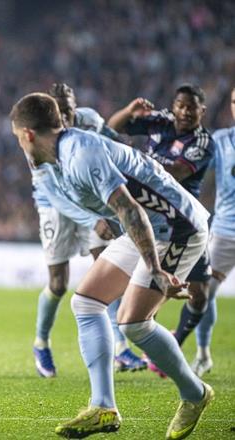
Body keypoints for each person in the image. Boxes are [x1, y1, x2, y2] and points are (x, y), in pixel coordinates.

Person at [10, 93, 214, 439]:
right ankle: (103, 407)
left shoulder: (81, 154)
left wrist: (156, 270)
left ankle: (195, 394)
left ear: (28, 134)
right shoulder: (54, 158)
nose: (19, 144)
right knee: (86, 302)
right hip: (147, 227)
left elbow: (129, 209)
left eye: (18, 137)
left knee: (133, 323)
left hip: (177, 227)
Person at [31, 83, 146, 379]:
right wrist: (92, 221)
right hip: (55, 205)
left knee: (107, 269)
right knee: (58, 283)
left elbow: (111, 138)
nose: (64, 116)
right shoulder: (36, 135)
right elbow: (56, 196)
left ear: (75, 107)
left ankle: (120, 348)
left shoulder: (89, 120)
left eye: (68, 109)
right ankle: (41, 343)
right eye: (58, 110)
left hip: (89, 198)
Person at [108, 85, 215, 377]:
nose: (185, 112)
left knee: (199, 294)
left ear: (202, 111)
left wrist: (139, 167)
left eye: (191, 107)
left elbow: (175, 174)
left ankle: (173, 337)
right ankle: (152, 340)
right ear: (174, 105)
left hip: (184, 220)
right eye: (180, 105)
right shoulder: (160, 121)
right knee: (139, 287)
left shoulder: (203, 142)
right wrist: (129, 111)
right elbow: (113, 128)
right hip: (151, 216)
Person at [191, 86, 235, 376]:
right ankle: (203, 353)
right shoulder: (221, 140)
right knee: (204, 293)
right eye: (234, 101)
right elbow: (198, 172)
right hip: (226, 229)